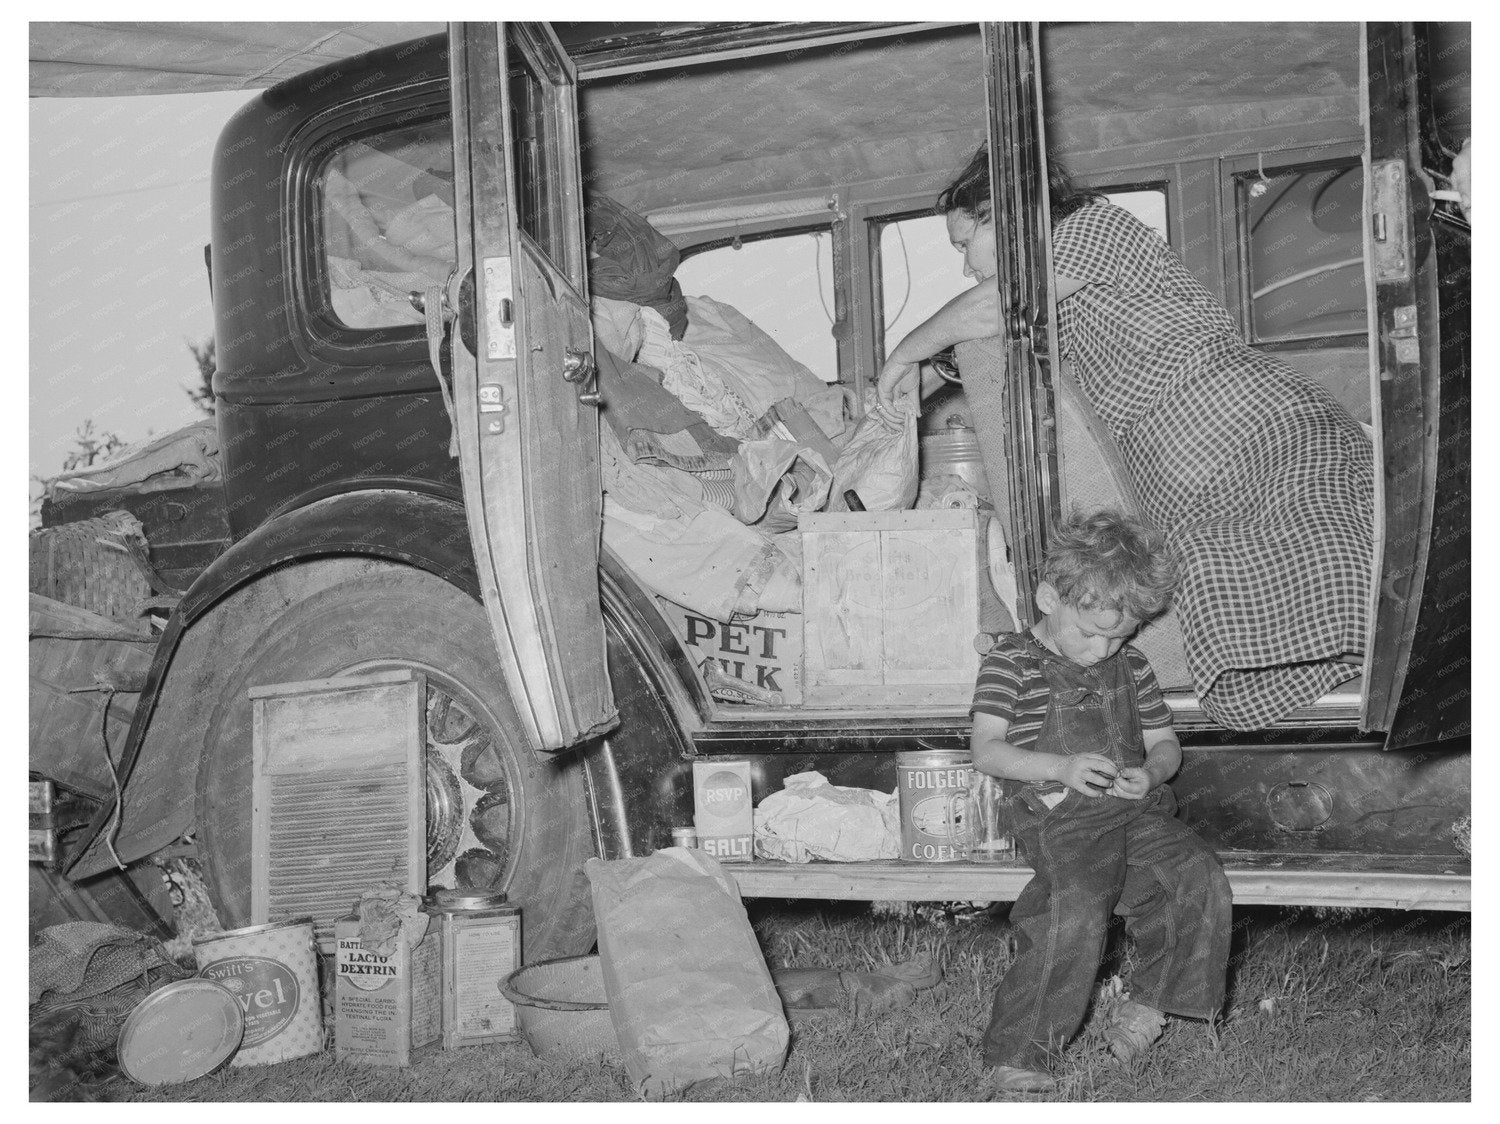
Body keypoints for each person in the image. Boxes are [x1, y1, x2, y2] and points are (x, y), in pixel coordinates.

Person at [877, 148, 1374, 731]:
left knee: (1324, 573)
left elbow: (998, 304)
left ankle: (1369, 703)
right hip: (1194, 455)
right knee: (1218, 582)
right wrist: (928, 372)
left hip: (1259, 429)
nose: (965, 265)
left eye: (965, 243)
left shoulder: (1095, 226)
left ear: (1001, 217)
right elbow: (990, 329)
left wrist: (905, 349)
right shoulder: (1056, 285)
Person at [969, 508, 1232, 1092]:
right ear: (1046, 598)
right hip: (1057, 812)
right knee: (1076, 908)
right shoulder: (1010, 662)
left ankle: (1150, 1003)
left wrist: (1152, 772)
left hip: (1131, 807)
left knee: (1194, 874)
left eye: (1121, 634)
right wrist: (1061, 767)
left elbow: (1166, 744)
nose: (1104, 648)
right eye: (1090, 632)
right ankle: (1020, 1056)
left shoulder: (1131, 665)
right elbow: (987, 749)